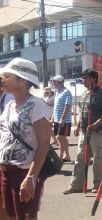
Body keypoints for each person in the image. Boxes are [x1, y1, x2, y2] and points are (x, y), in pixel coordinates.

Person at [0, 58, 50, 220]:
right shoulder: (10, 105)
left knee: (26, 217)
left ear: (22, 80)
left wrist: (31, 177)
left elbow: (43, 144)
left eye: (7, 76)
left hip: (25, 172)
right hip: (6, 171)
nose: (2, 79)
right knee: (10, 215)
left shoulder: (36, 105)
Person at [63, 69, 102, 194]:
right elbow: (81, 112)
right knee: (80, 157)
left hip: (98, 132)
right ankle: (76, 186)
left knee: (98, 158)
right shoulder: (84, 94)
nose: (83, 81)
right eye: (83, 78)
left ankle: (98, 185)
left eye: (86, 78)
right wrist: (78, 126)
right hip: (84, 132)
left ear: (93, 79)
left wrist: (95, 124)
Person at [51, 75, 73, 162]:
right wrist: (52, 118)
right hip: (57, 119)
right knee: (62, 137)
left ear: (59, 82)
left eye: (54, 81)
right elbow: (55, 107)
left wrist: (62, 119)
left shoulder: (66, 92)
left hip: (64, 120)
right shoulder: (57, 92)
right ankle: (66, 155)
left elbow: (67, 105)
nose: (53, 83)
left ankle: (60, 156)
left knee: (60, 137)